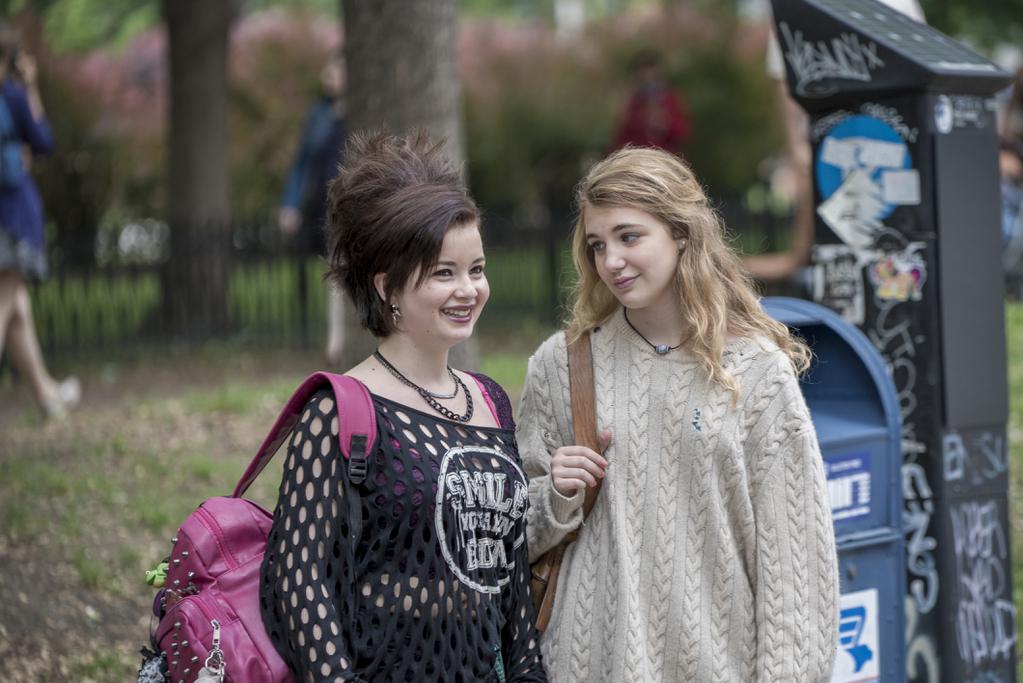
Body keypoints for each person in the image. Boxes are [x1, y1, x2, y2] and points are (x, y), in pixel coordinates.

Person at [518, 147, 839, 681]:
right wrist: (553, 492)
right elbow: (509, 534)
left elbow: (797, 571)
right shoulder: (562, 364)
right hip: (585, 665)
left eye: (629, 236)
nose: (611, 261)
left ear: (682, 234)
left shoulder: (756, 373)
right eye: (597, 245)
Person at [260, 131, 547, 682]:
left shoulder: (490, 402)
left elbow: (506, 568)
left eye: (477, 269)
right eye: (444, 272)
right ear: (387, 284)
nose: (468, 290)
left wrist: (528, 670)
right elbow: (299, 578)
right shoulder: (340, 410)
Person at [745, 0, 926, 284]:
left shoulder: (897, 3)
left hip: (889, 143)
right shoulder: (798, 9)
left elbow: (923, 63)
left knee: (885, 235)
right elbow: (784, 81)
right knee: (826, 246)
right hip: (831, 146)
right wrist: (797, 150)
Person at [0, 23, 79, 418]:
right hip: (11, 218)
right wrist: (30, 87)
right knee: (5, 302)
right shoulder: (12, 97)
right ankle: (48, 395)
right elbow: (44, 140)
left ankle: (47, 395)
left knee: (18, 310)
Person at [279, 51, 347, 365]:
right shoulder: (319, 114)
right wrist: (290, 204)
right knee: (337, 267)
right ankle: (337, 343)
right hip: (327, 205)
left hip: (358, 202)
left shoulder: (364, 110)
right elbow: (303, 163)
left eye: (334, 71)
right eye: (327, 72)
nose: (327, 77)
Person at [609, 50, 691, 156]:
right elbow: (621, 138)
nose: (647, 76)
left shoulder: (670, 98)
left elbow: (684, 133)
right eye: (643, 71)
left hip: (665, 159)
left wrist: (665, 122)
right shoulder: (633, 102)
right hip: (639, 160)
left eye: (651, 71)